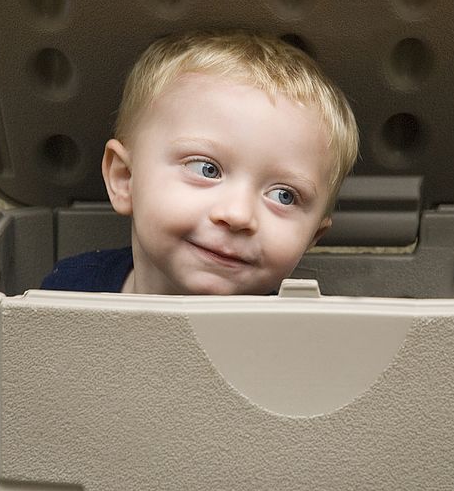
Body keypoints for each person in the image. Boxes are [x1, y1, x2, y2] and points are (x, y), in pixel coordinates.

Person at [41, 30, 359, 295]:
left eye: (283, 196)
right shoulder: (69, 289)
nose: (237, 215)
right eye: (207, 169)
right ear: (125, 179)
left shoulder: (302, 341)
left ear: (312, 237)